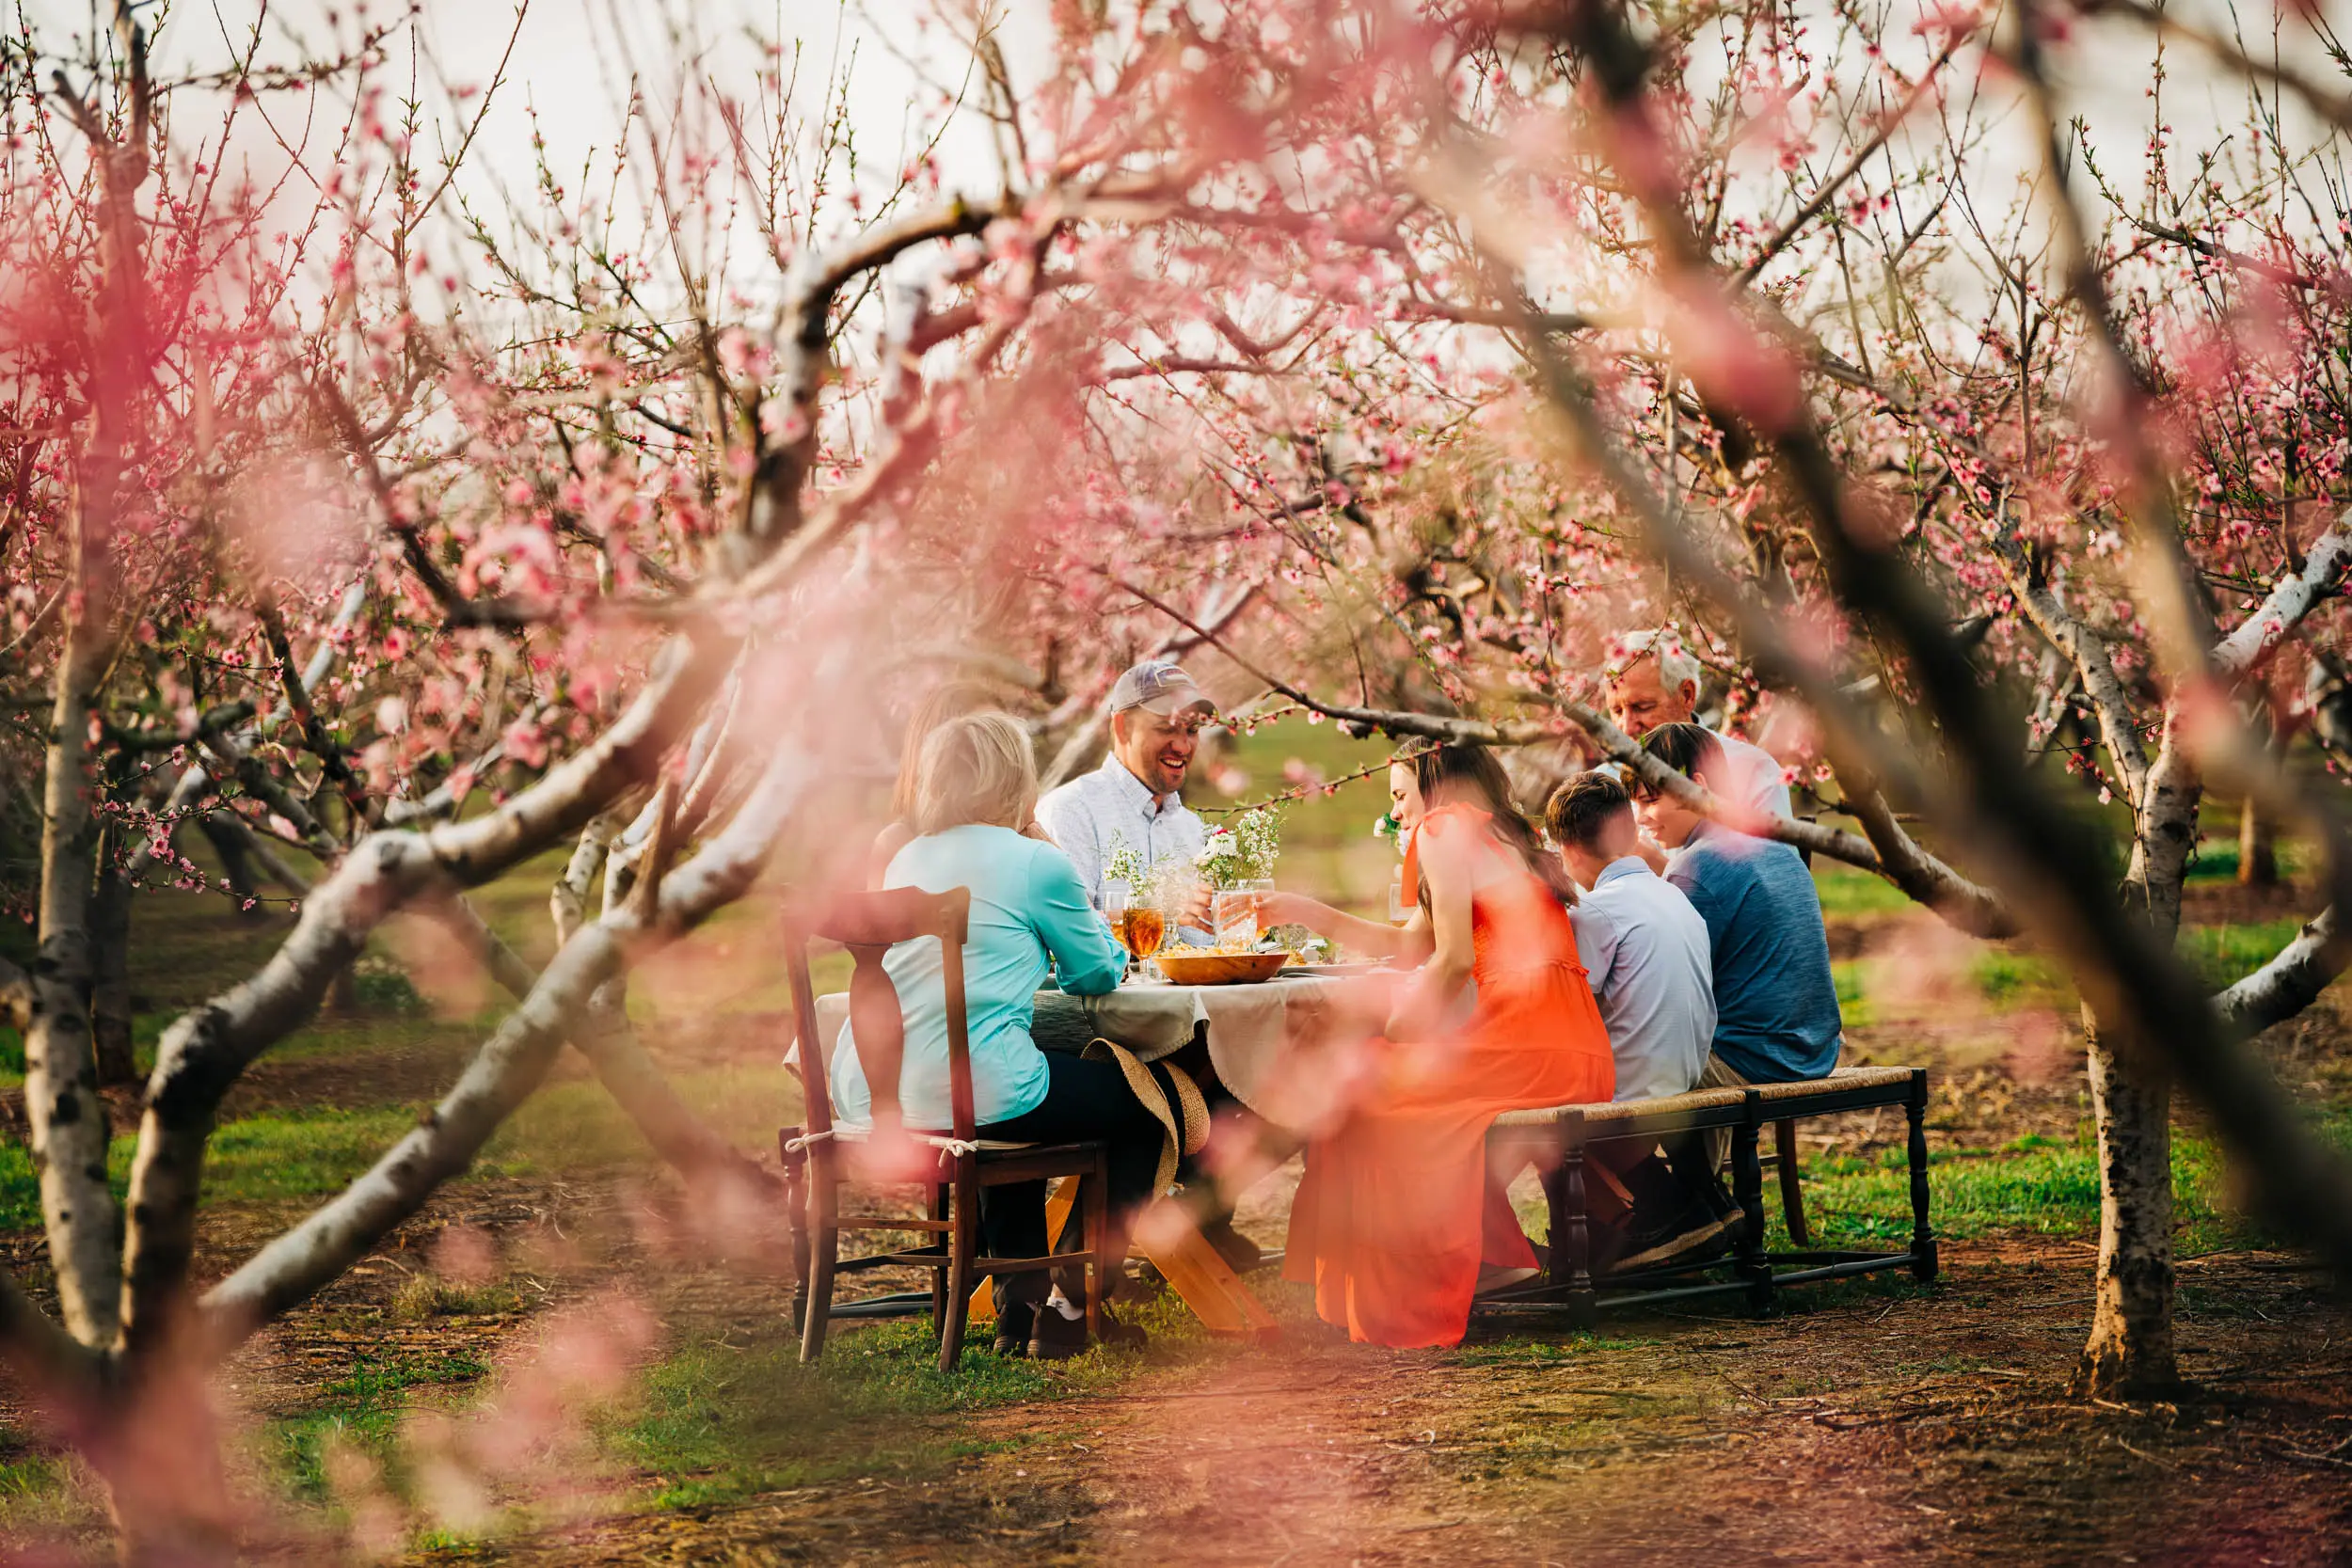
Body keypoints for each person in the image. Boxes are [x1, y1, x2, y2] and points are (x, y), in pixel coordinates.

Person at [1257, 743, 1613, 1348]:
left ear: (1436, 787)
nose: (1398, 814)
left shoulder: (1443, 827)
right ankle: (1495, 1256)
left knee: (1360, 1083)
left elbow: (1450, 963)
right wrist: (1304, 910)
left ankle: (1451, 1273)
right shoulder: (1506, 833)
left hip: (1524, 1040)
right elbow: (1410, 947)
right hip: (1578, 1046)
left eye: (1400, 795)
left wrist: (1397, 1030)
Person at [832, 710, 1164, 1357]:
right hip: (971, 1089)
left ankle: (1020, 1305)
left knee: (1006, 1084)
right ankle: (1074, 1299)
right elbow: (1096, 971)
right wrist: (1049, 852)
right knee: (1143, 1110)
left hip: (877, 1094)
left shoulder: (906, 854)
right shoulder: (1036, 862)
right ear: (1017, 777)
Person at [1634, 722, 1841, 1094]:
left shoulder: (1696, 867)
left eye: (1649, 800)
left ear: (1697, 785)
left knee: (1615, 1062)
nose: (1640, 816)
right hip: (1816, 1050)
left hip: (1751, 1060)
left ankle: (1672, 1157)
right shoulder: (1774, 842)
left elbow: (1664, 988)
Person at [1545, 770, 1714, 1103]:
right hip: (1686, 1079)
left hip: (1628, 1094)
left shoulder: (1595, 911)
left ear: (1569, 850)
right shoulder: (1674, 896)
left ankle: (1632, 1160)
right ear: (1633, 832)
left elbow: (1565, 1005)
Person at [1035, 658, 1216, 937]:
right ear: (1123, 728)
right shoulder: (1070, 811)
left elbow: (1211, 945)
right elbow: (1066, 932)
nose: (1182, 746)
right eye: (1166, 728)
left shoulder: (1192, 828)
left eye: (1191, 730)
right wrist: (1160, 913)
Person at [868, 680, 1050, 885]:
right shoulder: (898, 844)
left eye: (1001, 738)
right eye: (975, 741)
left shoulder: (1027, 839)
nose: (993, 756)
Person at [1606, 629, 1792, 826]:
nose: (1626, 727)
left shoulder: (1752, 770)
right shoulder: (1602, 785)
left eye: (1642, 707)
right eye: (1616, 711)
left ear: (1686, 695)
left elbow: (1776, 857)